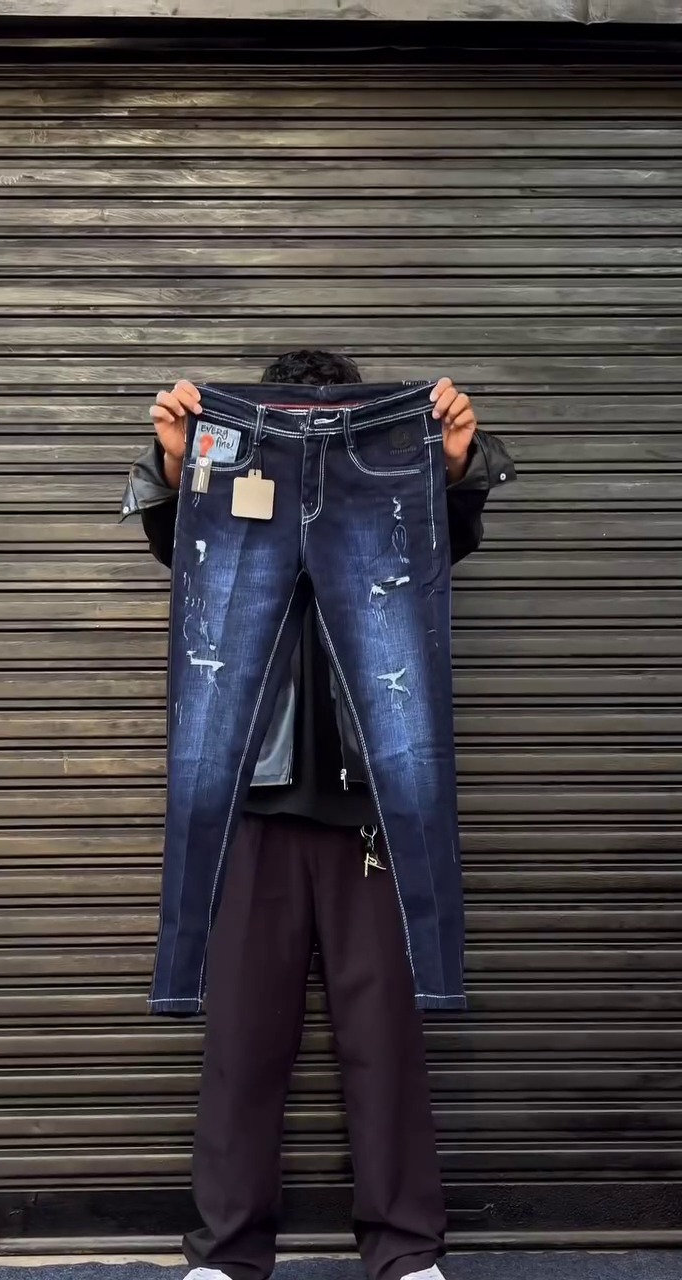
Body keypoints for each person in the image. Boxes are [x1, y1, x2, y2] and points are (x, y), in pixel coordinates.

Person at [121, 350, 514, 1280]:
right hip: (253, 807)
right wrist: (181, 463)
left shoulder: (394, 496)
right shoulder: (223, 482)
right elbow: (184, 554)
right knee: (242, 1040)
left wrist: (451, 464)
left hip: (367, 810)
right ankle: (226, 1252)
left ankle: (405, 1249)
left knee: (386, 1040)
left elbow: (438, 548)